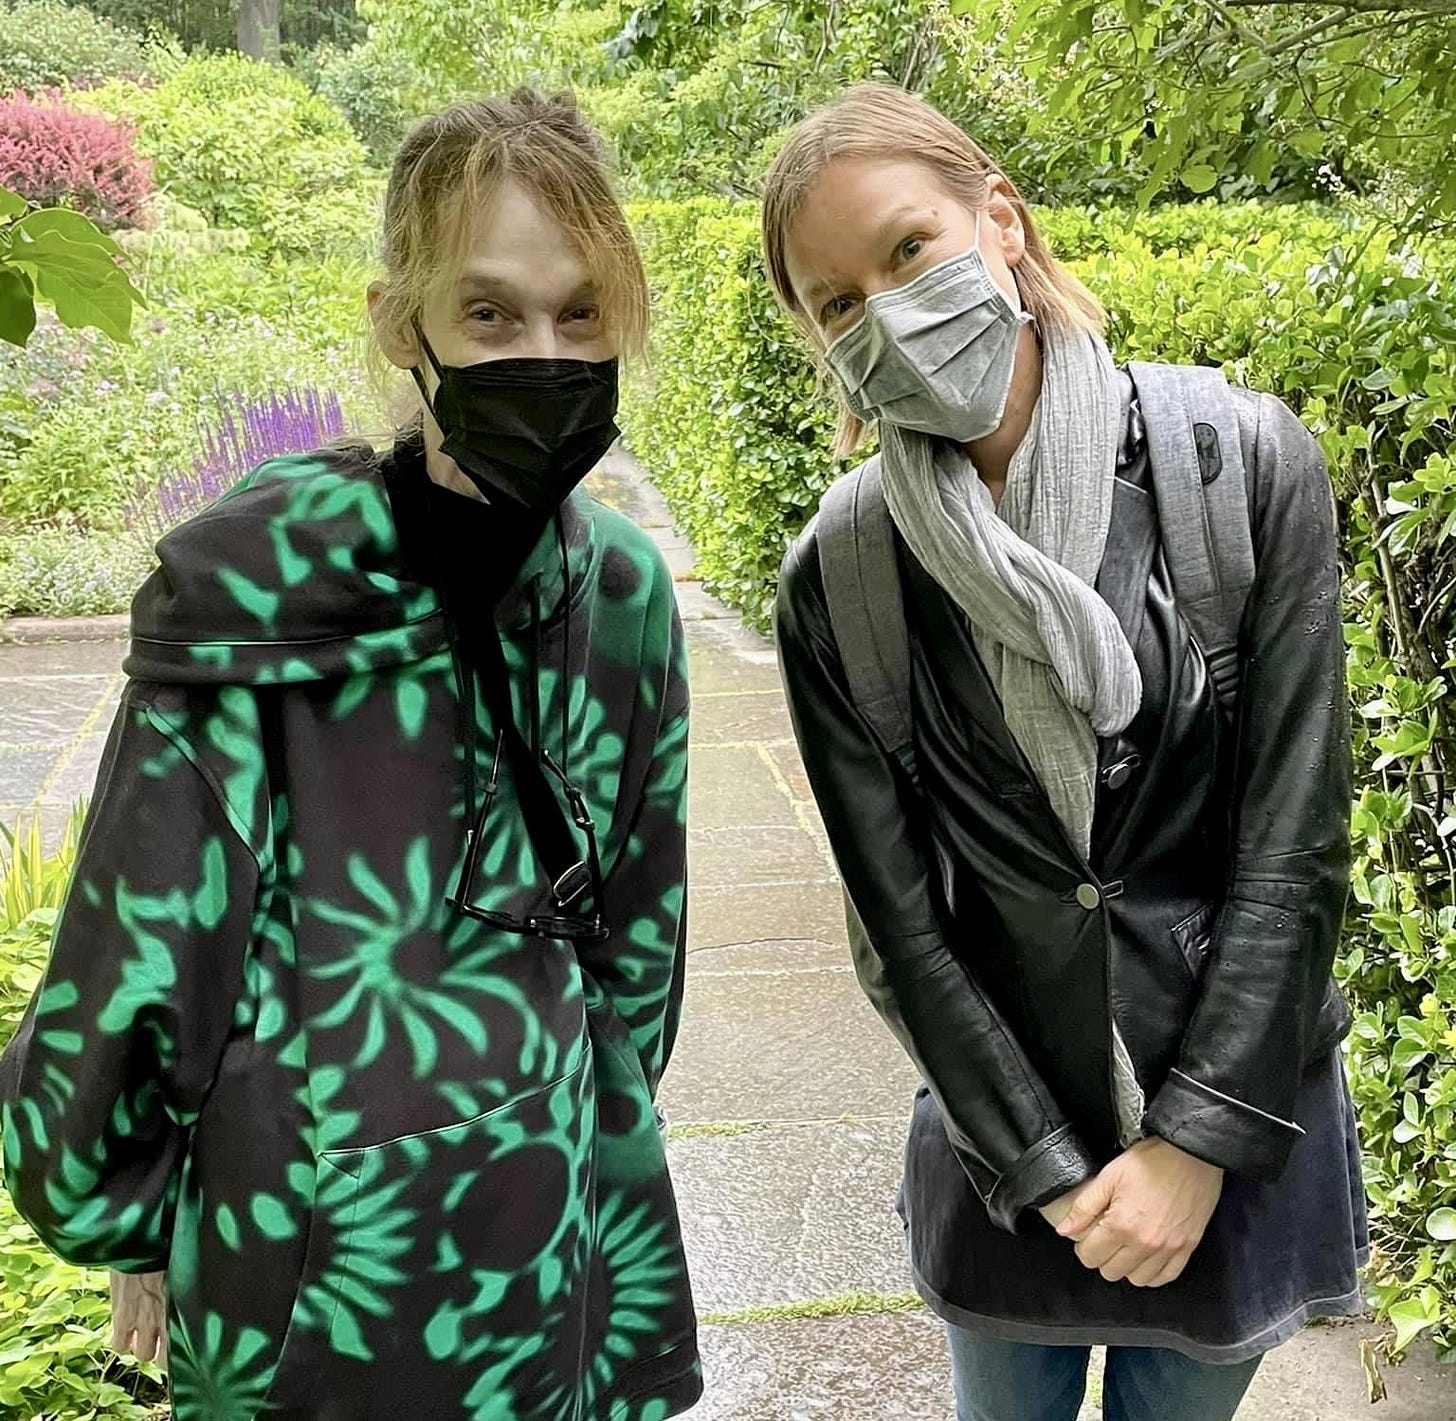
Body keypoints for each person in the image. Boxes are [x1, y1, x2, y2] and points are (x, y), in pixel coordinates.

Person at [0, 89, 703, 1421]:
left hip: (546, 1228)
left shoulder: (619, 595)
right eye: (489, 313)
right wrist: (130, 1216)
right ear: (405, 326)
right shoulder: (247, 605)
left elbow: (639, 936)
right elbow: (145, 942)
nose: (541, 356)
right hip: (309, 1253)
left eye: (581, 316)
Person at [762, 83, 1366, 1421]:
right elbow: (899, 927)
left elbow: (1294, 843)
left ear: (1003, 223)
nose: (888, 309)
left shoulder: (1244, 466)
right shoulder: (841, 580)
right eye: (839, 301)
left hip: (1236, 1127)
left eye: (908, 249)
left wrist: (1195, 1143)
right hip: (1009, 1156)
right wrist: (1044, 1163)